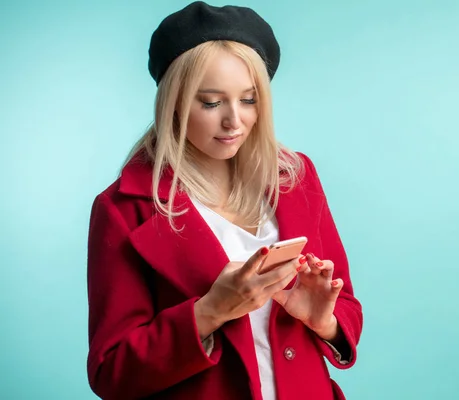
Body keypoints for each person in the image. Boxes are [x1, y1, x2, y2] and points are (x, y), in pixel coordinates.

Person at [86, 2, 363, 399]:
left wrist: (324, 320)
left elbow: (347, 306)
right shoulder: (123, 208)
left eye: (249, 100)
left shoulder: (297, 178)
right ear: (174, 103)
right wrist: (210, 311)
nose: (235, 121)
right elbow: (111, 371)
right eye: (212, 103)